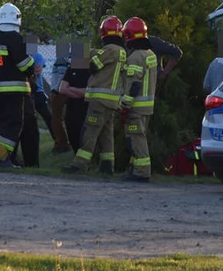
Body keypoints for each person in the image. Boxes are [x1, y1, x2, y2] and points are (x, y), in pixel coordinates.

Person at [63, 16, 127, 175]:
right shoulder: (121, 52)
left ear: (104, 33)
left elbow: (94, 66)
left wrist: (87, 55)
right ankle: (107, 166)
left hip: (99, 100)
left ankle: (79, 165)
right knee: (106, 134)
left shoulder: (110, 49)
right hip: (112, 101)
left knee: (89, 132)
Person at [0, 2, 37, 169]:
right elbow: (24, 64)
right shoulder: (15, 38)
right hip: (14, 91)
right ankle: (2, 159)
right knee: (13, 124)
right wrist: (32, 67)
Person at [120, 16, 159, 183]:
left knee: (136, 139)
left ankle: (142, 172)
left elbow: (134, 84)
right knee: (137, 138)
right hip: (147, 107)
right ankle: (135, 169)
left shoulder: (136, 57)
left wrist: (125, 104)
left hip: (136, 107)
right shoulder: (150, 54)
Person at [57, 49, 91, 153]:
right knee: (72, 132)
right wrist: (81, 93)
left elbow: (89, 92)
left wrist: (71, 89)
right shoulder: (71, 69)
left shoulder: (91, 71)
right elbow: (62, 89)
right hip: (72, 108)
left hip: (86, 108)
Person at [30, 53, 53, 132]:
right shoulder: (21, 55)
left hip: (38, 92)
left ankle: (59, 140)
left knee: (48, 117)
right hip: (26, 92)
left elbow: (38, 71)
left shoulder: (37, 56)